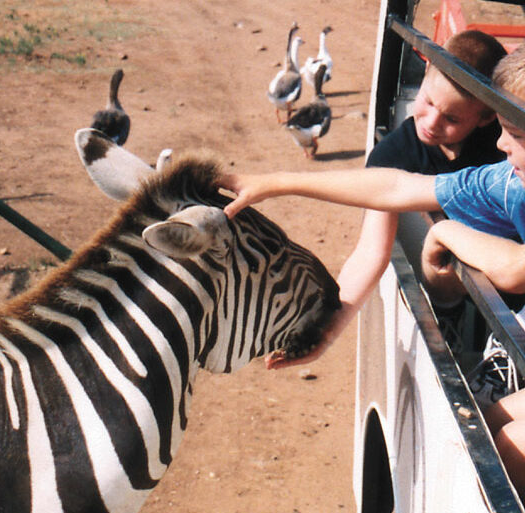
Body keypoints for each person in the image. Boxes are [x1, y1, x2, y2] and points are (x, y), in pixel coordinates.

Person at [220, 44, 525, 373]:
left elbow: (515, 269)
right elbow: (375, 237)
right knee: (440, 271)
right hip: (475, 282)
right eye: (428, 102)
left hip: (510, 296)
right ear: (424, 75)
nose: (432, 122)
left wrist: (446, 231)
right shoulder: (484, 171)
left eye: (452, 118)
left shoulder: (508, 156)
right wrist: (328, 329)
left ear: (486, 117)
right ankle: (452, 332)